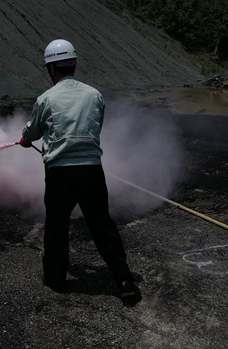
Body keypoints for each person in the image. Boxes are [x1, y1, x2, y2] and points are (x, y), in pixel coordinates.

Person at [19, 39, 140, 299]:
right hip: (91, 171)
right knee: (102, 224)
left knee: (57, 225)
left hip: (60, 174)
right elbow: (96, 127)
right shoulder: (94, 95)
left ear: (52, 68)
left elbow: (34, 131)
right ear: (72, 64)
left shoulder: (46, 98)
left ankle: (55, 280)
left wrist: (25, 138)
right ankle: (125, 281)